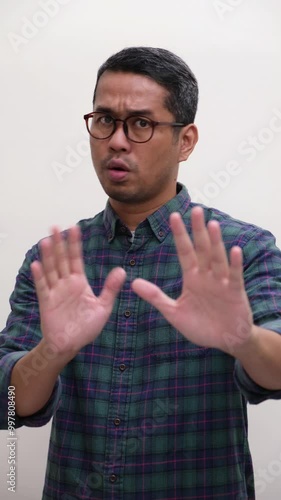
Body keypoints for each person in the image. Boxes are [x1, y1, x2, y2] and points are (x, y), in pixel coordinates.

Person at [1, 46, 281, 500]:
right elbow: (11, 405)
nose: (116, 140)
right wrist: (51, 352)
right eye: (105, 120)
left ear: (185, 141)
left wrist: (242, 338)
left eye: (141, 124)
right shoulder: (56, 259)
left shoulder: (240, 249)